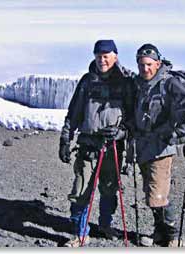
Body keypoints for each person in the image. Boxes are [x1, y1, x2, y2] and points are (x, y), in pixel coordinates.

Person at [58, 40, 134, 247]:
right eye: (98, 56)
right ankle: (80, 233)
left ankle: (105, 225)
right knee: (81, 190)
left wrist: (122, 132)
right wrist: (65, 139)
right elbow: (73, 113)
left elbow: (133, 117)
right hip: (88, 146)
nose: (102, 60)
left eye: (106, 56)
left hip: (113, 148)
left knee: (110, 189)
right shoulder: (86, 81)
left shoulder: (126, 82)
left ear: (115, 56)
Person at [132, 44, 185, 247]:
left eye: (148, 64)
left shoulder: (169, 84)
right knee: (151, 192)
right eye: (141, 64)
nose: (145, 68)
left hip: (162, 147)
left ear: (157, 63)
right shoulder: (138, 84)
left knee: (157, 194)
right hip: (143, 146)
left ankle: (174, 236)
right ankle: (160, 232)